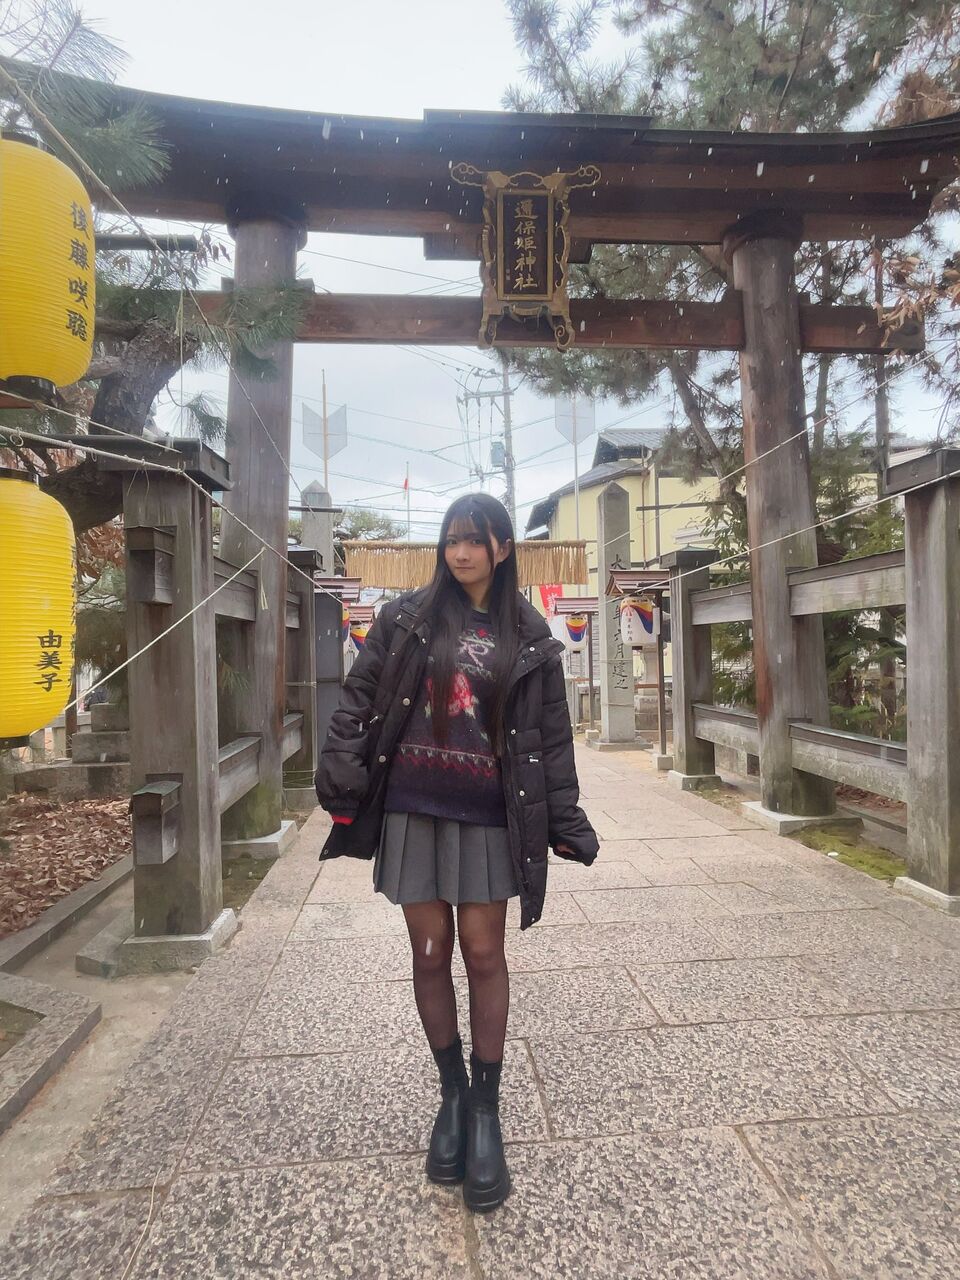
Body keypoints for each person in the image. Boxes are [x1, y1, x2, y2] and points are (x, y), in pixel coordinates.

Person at [314, 493, 598, 1213]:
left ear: (503, 547)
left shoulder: (530, 636)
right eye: (451, 539)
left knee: (483, 953)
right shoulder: (405, 618)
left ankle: (485, 1110)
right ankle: (451, 1095)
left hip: (487, 817)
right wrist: (340, 775)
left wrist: (564, 818)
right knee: (430, 952)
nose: (461, 552)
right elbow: (357, 701)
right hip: (413, 806)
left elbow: (550, 741)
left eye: (475, 540)